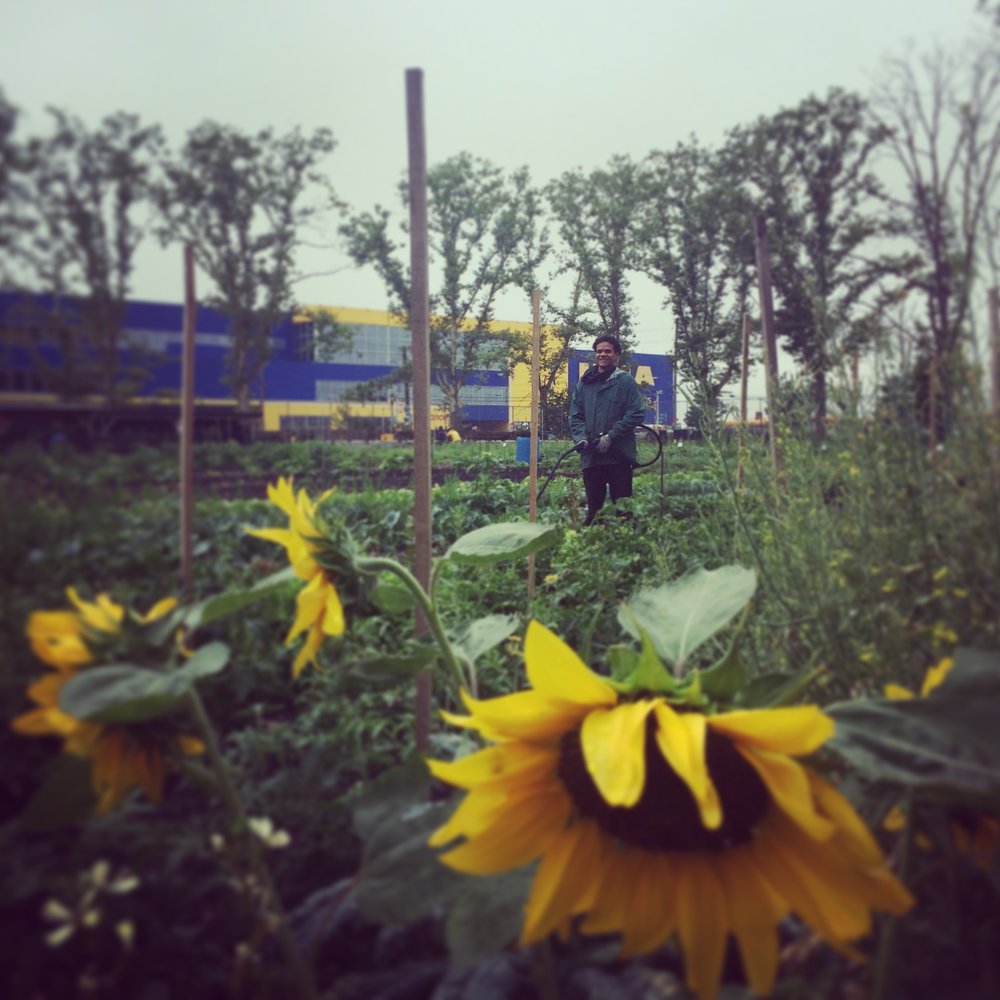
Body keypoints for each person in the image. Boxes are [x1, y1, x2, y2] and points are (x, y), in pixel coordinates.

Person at [569, 334, 646, 525]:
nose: (602, 354)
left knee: (623, 507)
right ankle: (594, 543)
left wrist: (612, 436)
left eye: (607, 351)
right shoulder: (585, 383)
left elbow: (636, 413)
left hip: (618, 455)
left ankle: (625, 540)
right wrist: (581, 438)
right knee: (594, 510)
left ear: (616, 355)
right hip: (592, 456)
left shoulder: (625, 381)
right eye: (599, 351)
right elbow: (575, 415)